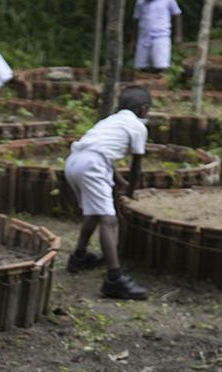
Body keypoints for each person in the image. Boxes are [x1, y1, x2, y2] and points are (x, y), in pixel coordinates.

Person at [64, 86, 152, 301]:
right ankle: (114, 279)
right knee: (109, 221)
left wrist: (120, 182)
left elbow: (103, 152)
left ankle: (79, 256)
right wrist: (130, 190)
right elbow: (136, 165)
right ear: (144, 109)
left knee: (94, 212)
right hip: (93, 165)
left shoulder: (110, 121)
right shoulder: (138, 127)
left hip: (74, 162)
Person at [133, 0, 182, 75]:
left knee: (161, 66)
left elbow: (177, 14)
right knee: (141, 66)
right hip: (143, 37)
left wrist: (178, 35)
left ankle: (160, 80)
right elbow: (136, 19)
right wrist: (133, 40)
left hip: (161, 36)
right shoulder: (140, 2)